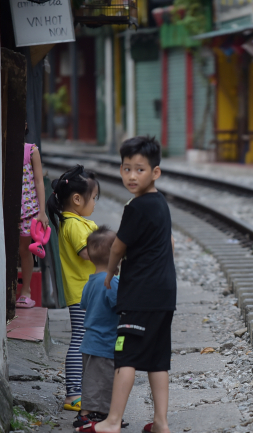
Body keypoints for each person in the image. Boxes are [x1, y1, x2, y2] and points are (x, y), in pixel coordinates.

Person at [77, 136, 176, 433]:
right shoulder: (161, 204)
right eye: (126, 169)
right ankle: (160, 422)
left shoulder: (136, 207)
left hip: (140, 296)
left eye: (139, 170)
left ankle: (112, 421)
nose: (131, 176)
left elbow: (118, 247)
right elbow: (169, 244)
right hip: (164, 294)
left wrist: (109, 273)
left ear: (155, 173)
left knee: (126, 356)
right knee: (158, 360)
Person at [47, 165, 100, 411]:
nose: (95, 203)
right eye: (94, 197)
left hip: (86, 292)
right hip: (82, 294)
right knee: (80, 338)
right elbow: (87, 252)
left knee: (85, 337)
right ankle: (73, 394)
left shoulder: (75, 221)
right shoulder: (74, 225)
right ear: (77, 199)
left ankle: (81, 391)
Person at [73, 227, 119, 427]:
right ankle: (90, 415)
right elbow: (121, 306)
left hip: (89, 340)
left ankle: (91, 413)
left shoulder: (90, 282)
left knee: (91, 379)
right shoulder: (112, 282)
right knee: (104, 380)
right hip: (105, 342)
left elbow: (84, 305)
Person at [16, 124, 49, 309]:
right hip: (10, 209)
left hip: (29, 210)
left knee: (25, 250)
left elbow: (39, 181)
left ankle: (25, 291)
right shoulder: (2, 148)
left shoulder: (31, 150)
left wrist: (42, 212)